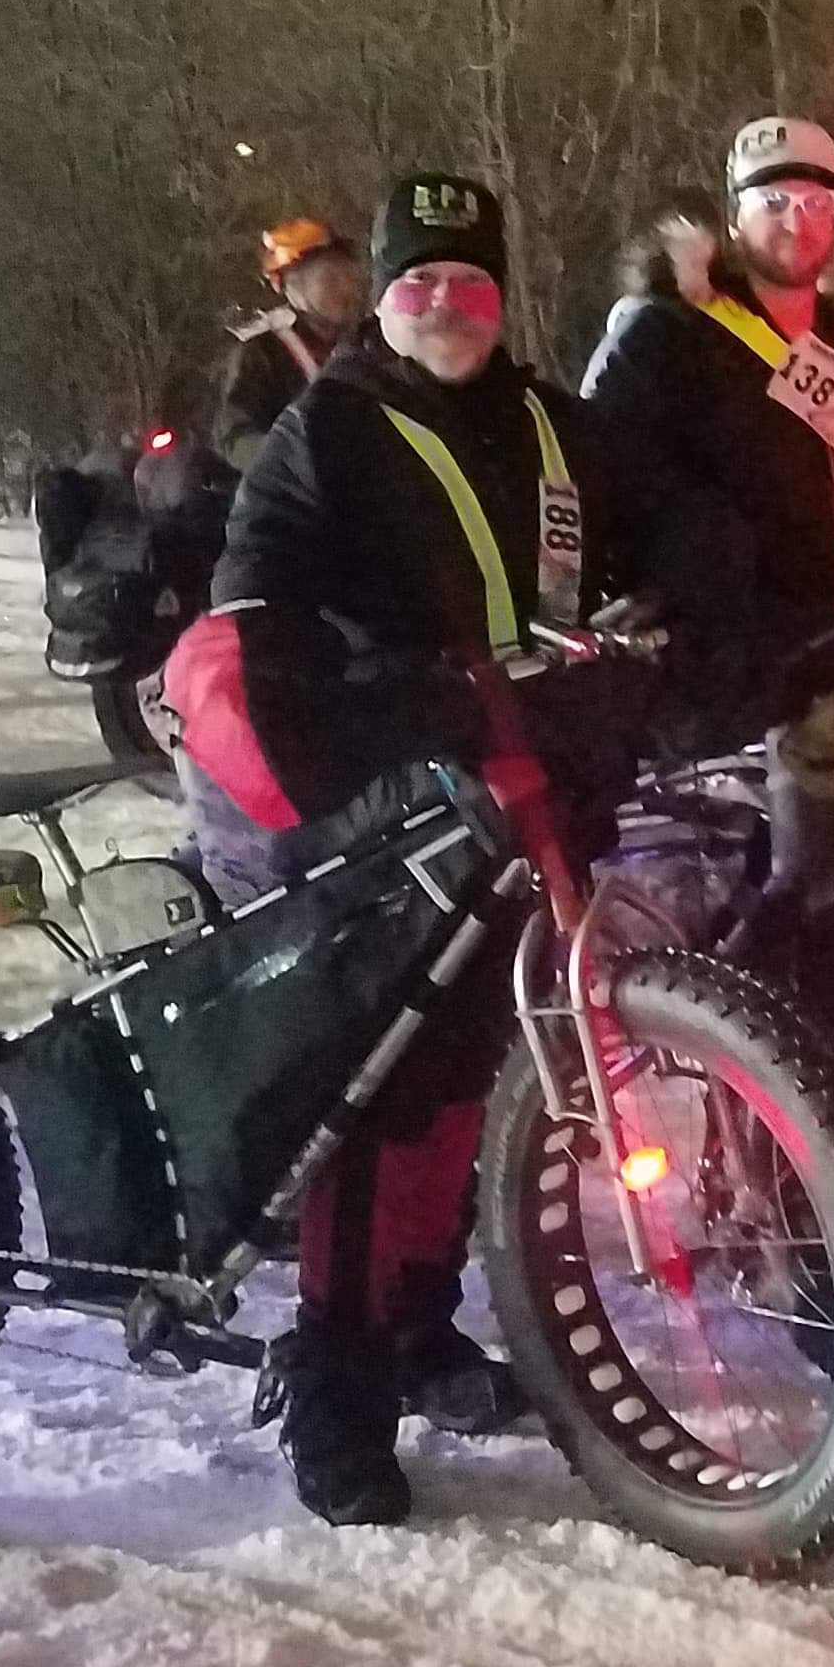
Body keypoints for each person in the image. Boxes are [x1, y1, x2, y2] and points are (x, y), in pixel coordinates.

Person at [172, 172, 652, 1525]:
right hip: (385, 805)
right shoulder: (329, 425)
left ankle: (416, 1322)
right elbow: (257, 585)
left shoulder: (551, 424)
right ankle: (335, 1377)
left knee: (466, 1078)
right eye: (419, 283)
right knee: (375, 1092)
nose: (446, 304)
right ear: (382, 300)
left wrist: (681, 609)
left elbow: (661, 531)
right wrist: (363, 691)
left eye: (471, 283)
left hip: (523, 791)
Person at [583, 118, 834, 719]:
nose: (797, 223)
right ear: (734, 219)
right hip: (728, 679)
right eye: (773, 203)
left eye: (815, 204)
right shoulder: (669, 338)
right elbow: (608, 487)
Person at [209, 217, 365, 470]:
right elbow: (235, 435)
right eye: (330, 279)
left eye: (350, 276)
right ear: (291, 287)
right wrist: (288, 462)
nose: (347, 289)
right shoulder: (263, 356)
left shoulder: (369, 346)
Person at [584, 184, 721, 392]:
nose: (707, 286)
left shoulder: (679, 328)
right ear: (660, 260)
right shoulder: (642, 336)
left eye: (708, 268)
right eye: (695, 265)